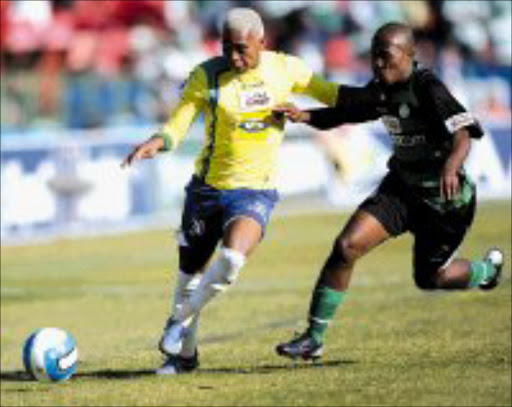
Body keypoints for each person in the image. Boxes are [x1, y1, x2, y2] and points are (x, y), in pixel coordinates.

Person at [121, 7, 339, 374]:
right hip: (205, 192)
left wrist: (378, 99)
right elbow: (180, 121)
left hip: (254, 191)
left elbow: (332, 93)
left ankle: (177, 320)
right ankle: (184, 357)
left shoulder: (286, 69)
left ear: (262, 42)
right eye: (227, 48)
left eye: (241, 49)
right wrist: (158, 141)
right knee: (187, 279)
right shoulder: (206, 75)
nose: (234, 57)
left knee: (232, 260)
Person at [273, 22, 505, 361]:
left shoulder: (428, 87)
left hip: (444, 202)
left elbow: (464, 133)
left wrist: (452, 165)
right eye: (374, 57)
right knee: (346, 247)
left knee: (430, 278)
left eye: (386, 56)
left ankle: (487, 271)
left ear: (410, 56)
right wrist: (304, 114)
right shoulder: (382, 90)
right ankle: (313, 338)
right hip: (401, 190)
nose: (378, 64)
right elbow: (344, 113)